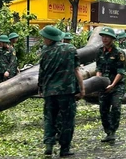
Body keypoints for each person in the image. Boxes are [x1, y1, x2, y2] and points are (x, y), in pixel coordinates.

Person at [38, 25, 85, 157]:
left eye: (44, 37)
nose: (42, 39)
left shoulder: (44, 52)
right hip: (66, 91)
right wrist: (82, 89)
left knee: (49, 118)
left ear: (49, 39)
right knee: (67, 120)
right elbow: (77, 70)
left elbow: (41, 72)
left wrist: (40, 88)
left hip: (49, 92)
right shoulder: (70, 49)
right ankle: (64, 149)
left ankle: (49, 145)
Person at [96, 26, 126, 142]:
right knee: (103, 109)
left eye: (107, 37)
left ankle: (113, 131)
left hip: (117, 85)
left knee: (116, 107)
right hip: (103, 84)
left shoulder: (119, 53)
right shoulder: (99, 51)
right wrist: (98, 81)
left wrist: (113, 85)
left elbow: (121, 71)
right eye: (103, 36)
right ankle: (107, 131)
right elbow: (98, 68)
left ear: (112, 39)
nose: (104, 39)